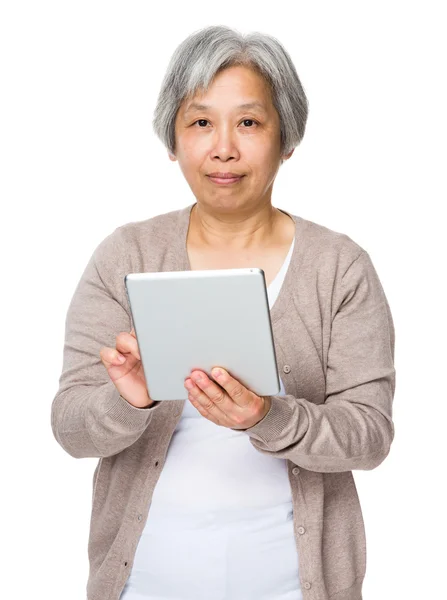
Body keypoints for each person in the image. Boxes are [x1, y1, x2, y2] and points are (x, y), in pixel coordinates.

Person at [51, 25, 396, 600]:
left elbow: (370, 436)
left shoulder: (340, 267)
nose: (224, 148)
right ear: (173, 139)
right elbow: (70, 426)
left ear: (287, 137)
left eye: (250, 122)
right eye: (201, 122)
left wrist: (267, 416)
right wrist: (130, 398)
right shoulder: (127, 255)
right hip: (144, 584)